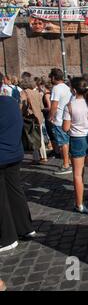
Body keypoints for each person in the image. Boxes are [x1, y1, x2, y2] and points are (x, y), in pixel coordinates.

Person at [0, 85, 36, 254]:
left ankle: (7, 238)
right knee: (15, 191)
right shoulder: (11, 102)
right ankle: (25, 227)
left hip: (2, 156)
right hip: (14, 153)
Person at [62, 77, 88, 213]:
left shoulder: (69, 106)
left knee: (78, 174)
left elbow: (65, 128)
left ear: (74, 90)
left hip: (77, 140)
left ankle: (79, 204)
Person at [48, 68, 72, 174]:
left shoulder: (56, 88)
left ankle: (66, 165)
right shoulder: (67, 87)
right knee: (67, 142)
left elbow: (54, 104)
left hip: (59, 119)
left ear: (53, 77)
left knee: (63, 143)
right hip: (67, 118)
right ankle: (69, 161)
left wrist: (51, 116)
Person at [20, 77, 47, 164]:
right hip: (39, 116)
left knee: (33, 137)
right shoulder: (37, 93)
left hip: (30, 117)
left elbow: (22, 106)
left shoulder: (24, 92)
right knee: (40, 137)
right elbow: (42, 107)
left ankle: (36, 158)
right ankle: (44, 156)